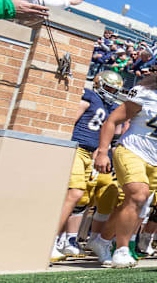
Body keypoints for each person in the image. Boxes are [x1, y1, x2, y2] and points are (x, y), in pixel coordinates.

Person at [92, 58, 157, 268]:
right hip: (131, 148)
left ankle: (100, 241)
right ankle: (120, 249)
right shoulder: (145, 94)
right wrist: (103, 152)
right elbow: (112, 121)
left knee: (135, 204)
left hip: (156, 157)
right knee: (138, 196)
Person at [52, 71, 123, 261]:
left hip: (94, 154)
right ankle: (52, 240)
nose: (111, 92)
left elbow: (114, 136)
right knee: (74, 193)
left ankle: (69, 240)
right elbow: (72, 119)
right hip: (77, 147)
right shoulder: (89, 96)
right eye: (108, 88)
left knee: (85, 198)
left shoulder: (114, 107)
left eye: (114, 89)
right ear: (99, 85)